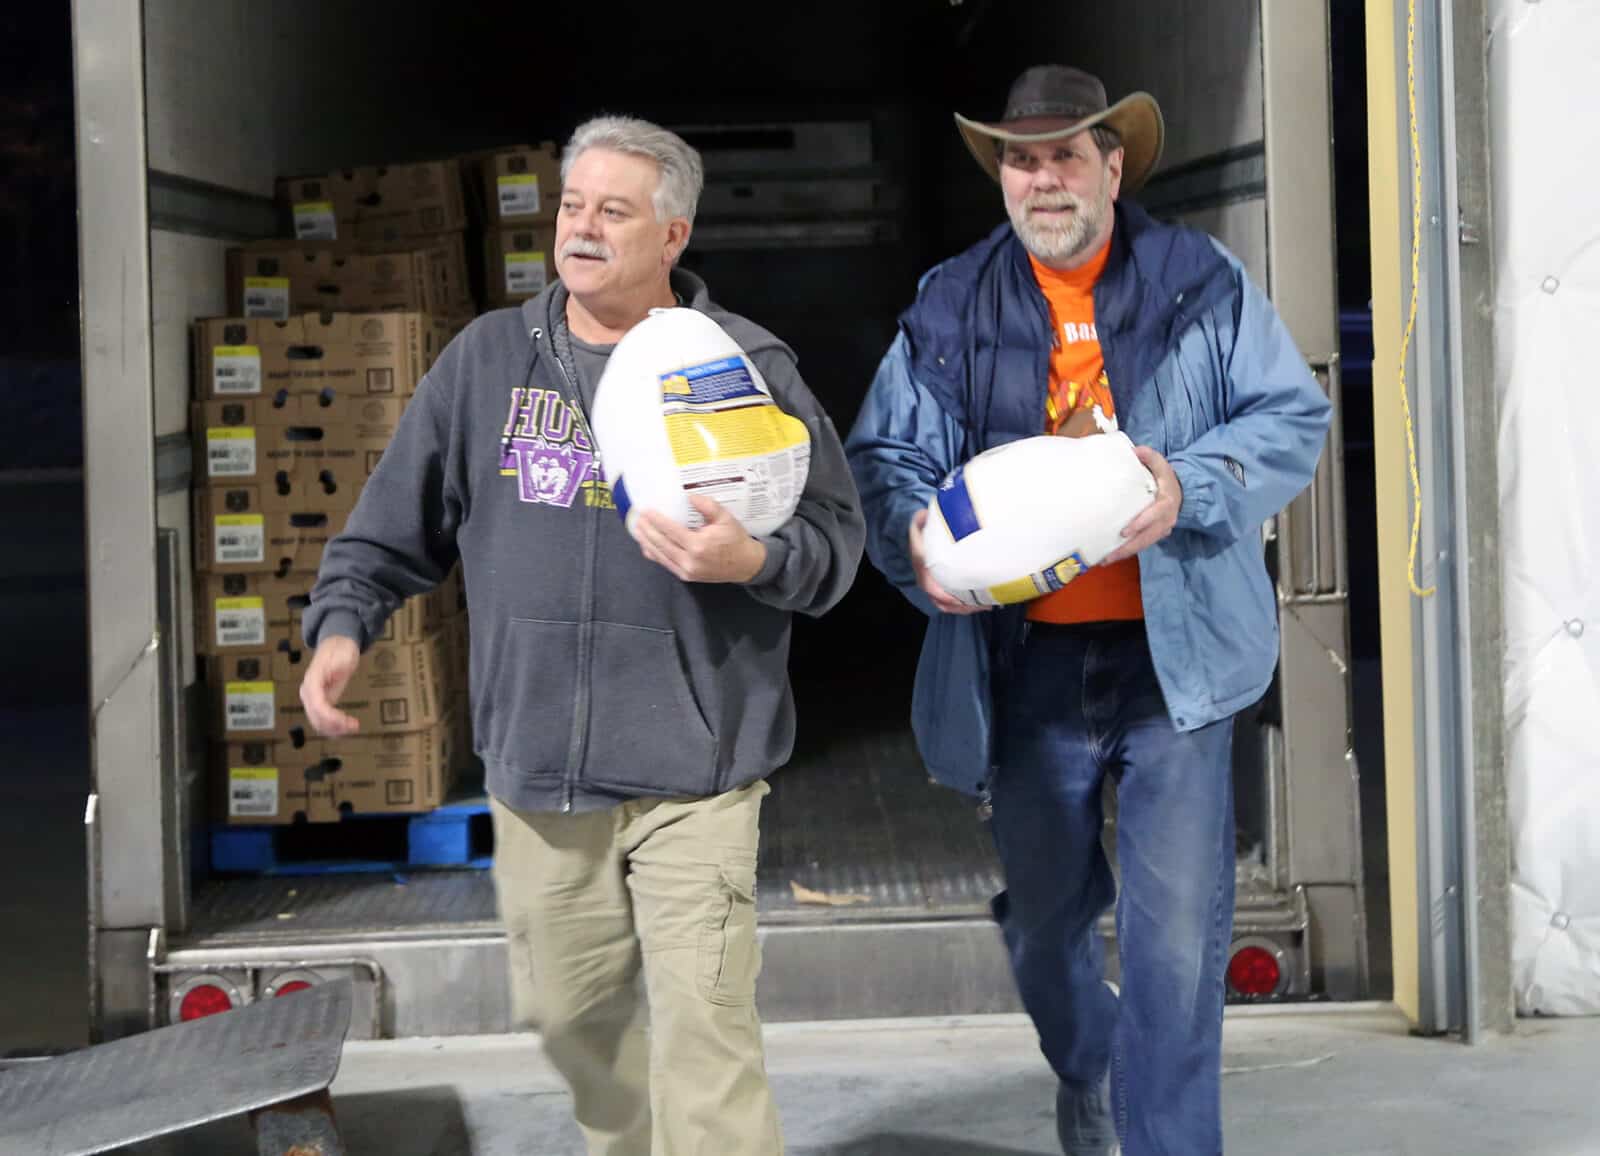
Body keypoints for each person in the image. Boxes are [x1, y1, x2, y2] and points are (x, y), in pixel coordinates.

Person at [300, 115, 864, 1156]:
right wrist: (343, 625)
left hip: (698, 776)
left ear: (673, 234)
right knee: (572, 1023)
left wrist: (757, 562)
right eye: (572, 205)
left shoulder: (745, 365)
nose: (583, 228)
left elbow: (837, 537)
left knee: (708, 1039)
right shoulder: (486, 362)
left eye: (615, 209)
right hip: (540, 776)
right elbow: (389, 527)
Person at [844, 65, 1332, 1155]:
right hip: (1024, 672)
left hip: (1178, 664)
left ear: (1113, 166)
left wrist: (1186, 484)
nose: (1043, 177)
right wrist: (914, 536)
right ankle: (1092, 1064)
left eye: (1067, 153)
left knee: (1173, 945)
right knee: (1050, 923)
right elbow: (884, 453)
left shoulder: (1195, 280)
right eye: (1021, 158)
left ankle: (1161, 1137)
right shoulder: (951, 300)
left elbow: (1288, 415)